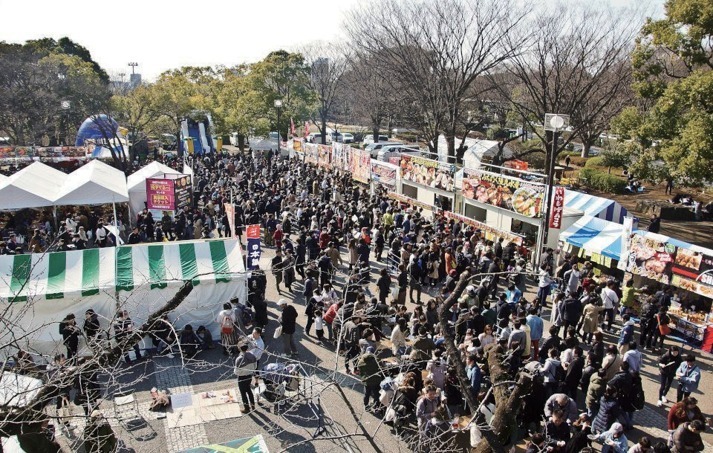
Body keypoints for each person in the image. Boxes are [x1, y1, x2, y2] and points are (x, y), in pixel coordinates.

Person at [233, 343, 257, 414]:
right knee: (249, 390)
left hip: (242, 378)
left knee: (243, 393)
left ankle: (246, 408)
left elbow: (236, 372)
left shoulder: (239, 359)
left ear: (239, 349)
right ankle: (253, 405)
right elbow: (255, 367)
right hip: (249, 376)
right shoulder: (252, 356)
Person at [357, 346, 382, 411]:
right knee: (376, 394)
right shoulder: (376, 360)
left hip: (366, 380)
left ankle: (366, 405)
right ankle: (376, 406)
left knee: (366, 394)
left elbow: (359, 369)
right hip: (375, 380)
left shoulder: (361, 361)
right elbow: (381, 368)